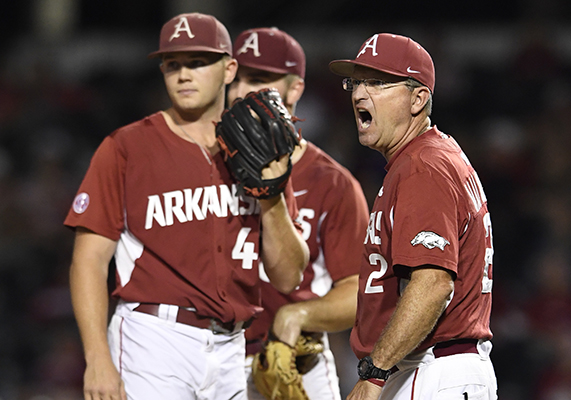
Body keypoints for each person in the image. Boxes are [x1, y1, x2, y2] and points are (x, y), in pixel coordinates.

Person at [65, 13, 309, 400]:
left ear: (229, 69)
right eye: (173, 65)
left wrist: (272, 196)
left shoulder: (263, 147)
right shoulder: (126, 148)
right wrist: (96, 358)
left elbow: (288, 277)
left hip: (232, 348)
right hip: (154, 339)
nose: (183, 75)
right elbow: (88, 260)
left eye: (198, 63)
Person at [328, 33, 498, 399]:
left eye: (376, 82)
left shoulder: (423, 167)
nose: (359, 94)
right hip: (434, 368)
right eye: (355, 82)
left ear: (418, 98)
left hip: (431, 368)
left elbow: (433, 283)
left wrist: (375, 371)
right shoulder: (430, 157)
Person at [228, 27, 370, 400]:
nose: (241, 91)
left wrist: (299, 315)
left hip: (294, 360)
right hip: (212, 358)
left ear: (294, 90)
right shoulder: (204, 167)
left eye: (258, 79)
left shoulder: (332, 183)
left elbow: (358, 291)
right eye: (235, 78)